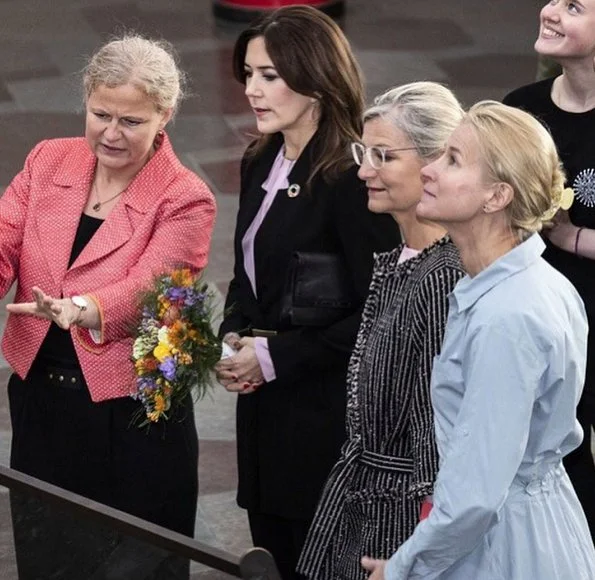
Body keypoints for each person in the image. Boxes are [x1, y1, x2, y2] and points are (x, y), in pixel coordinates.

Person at [3, 34, 216, 579]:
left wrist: (83, 308)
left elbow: (152, 286)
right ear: (86, 99)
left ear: (165, 115)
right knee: (47, 557)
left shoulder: (186, 196)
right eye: (101, 114)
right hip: (42, 402)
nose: (111, 133)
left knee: (130, 566)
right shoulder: (49, 159)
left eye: (132, 121)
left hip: (133, 416)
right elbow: (4, 236)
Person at [361, 101, 595, 580]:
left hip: (505, 551)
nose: (429, 169)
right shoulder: (527, 285)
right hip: (532, 532)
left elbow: (475, 496)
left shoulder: (505, 317)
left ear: (496, 197)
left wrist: (402, 567)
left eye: (452, 159)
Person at [214, 6, 400, 579]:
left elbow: (381, 308)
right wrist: (232, 336)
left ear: (316, 77)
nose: (252, 90)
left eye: (269, 75)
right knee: (271, 554)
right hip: (265, 411)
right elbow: (248, 274)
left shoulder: (351, 176)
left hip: (326, 416)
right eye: (247, 74)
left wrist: (274, 356)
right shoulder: (260, 158)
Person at [296, 82, 465, 580]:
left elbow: (438, 426)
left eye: (383, 156)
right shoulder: (398, 260)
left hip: (400, 525)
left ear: (435, 162)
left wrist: (419, 554)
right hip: (365, 502)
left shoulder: (441, 277)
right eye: (363, 153)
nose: (364, 170)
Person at [502, 0, 595, 539]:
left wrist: (568, 236)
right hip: (536, 318)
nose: (551, 11)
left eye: (574, 6)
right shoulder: (522, 110)